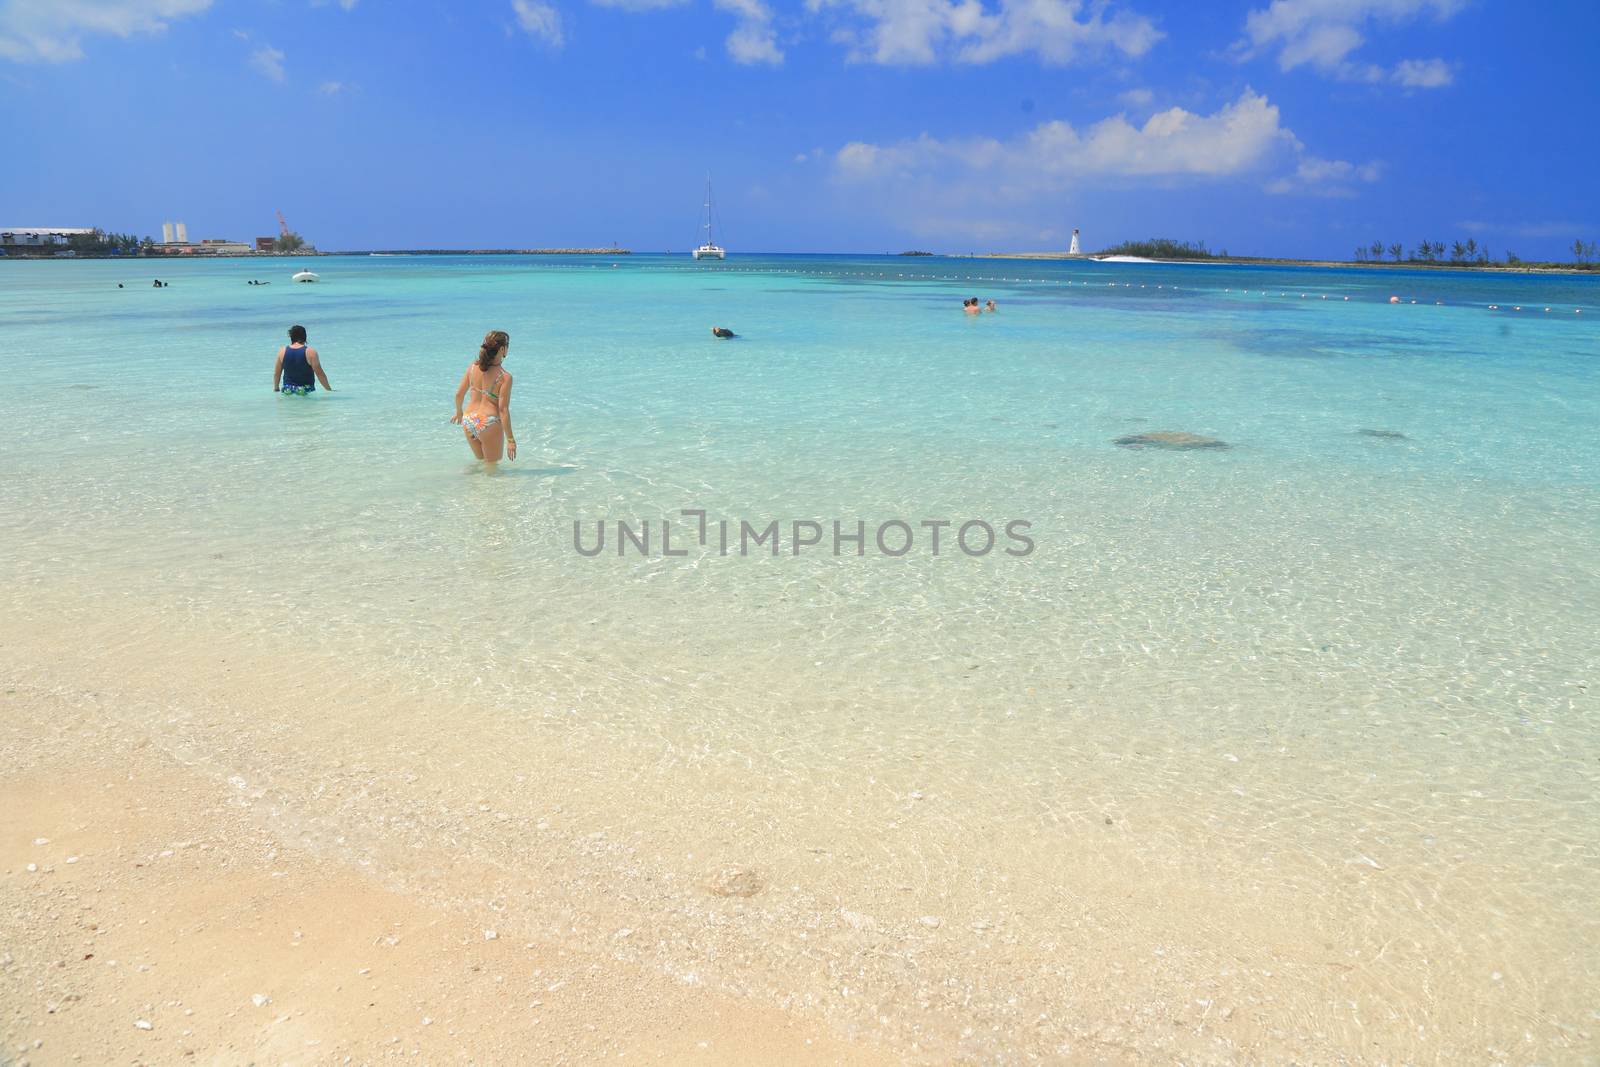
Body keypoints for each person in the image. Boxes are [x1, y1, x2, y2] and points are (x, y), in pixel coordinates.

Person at [452, 330, 516, 464]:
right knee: (492, 467)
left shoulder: (473, 367)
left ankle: (474, 485)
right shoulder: (504, 377)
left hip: (468, 420)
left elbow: (459, 395)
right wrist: (510, 440)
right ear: (503, 349)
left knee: (481, 463)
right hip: (488, 423)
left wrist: (459, 413)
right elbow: (503, 410)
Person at [273, 324, 333, 395]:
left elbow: (277, 374)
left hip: (287, 390)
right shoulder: (311, 352)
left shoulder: (282, 351)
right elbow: (320, 374)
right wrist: (329, 390)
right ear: (304, 336)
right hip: (305, 391)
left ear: (291, 337)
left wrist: (276, 388)